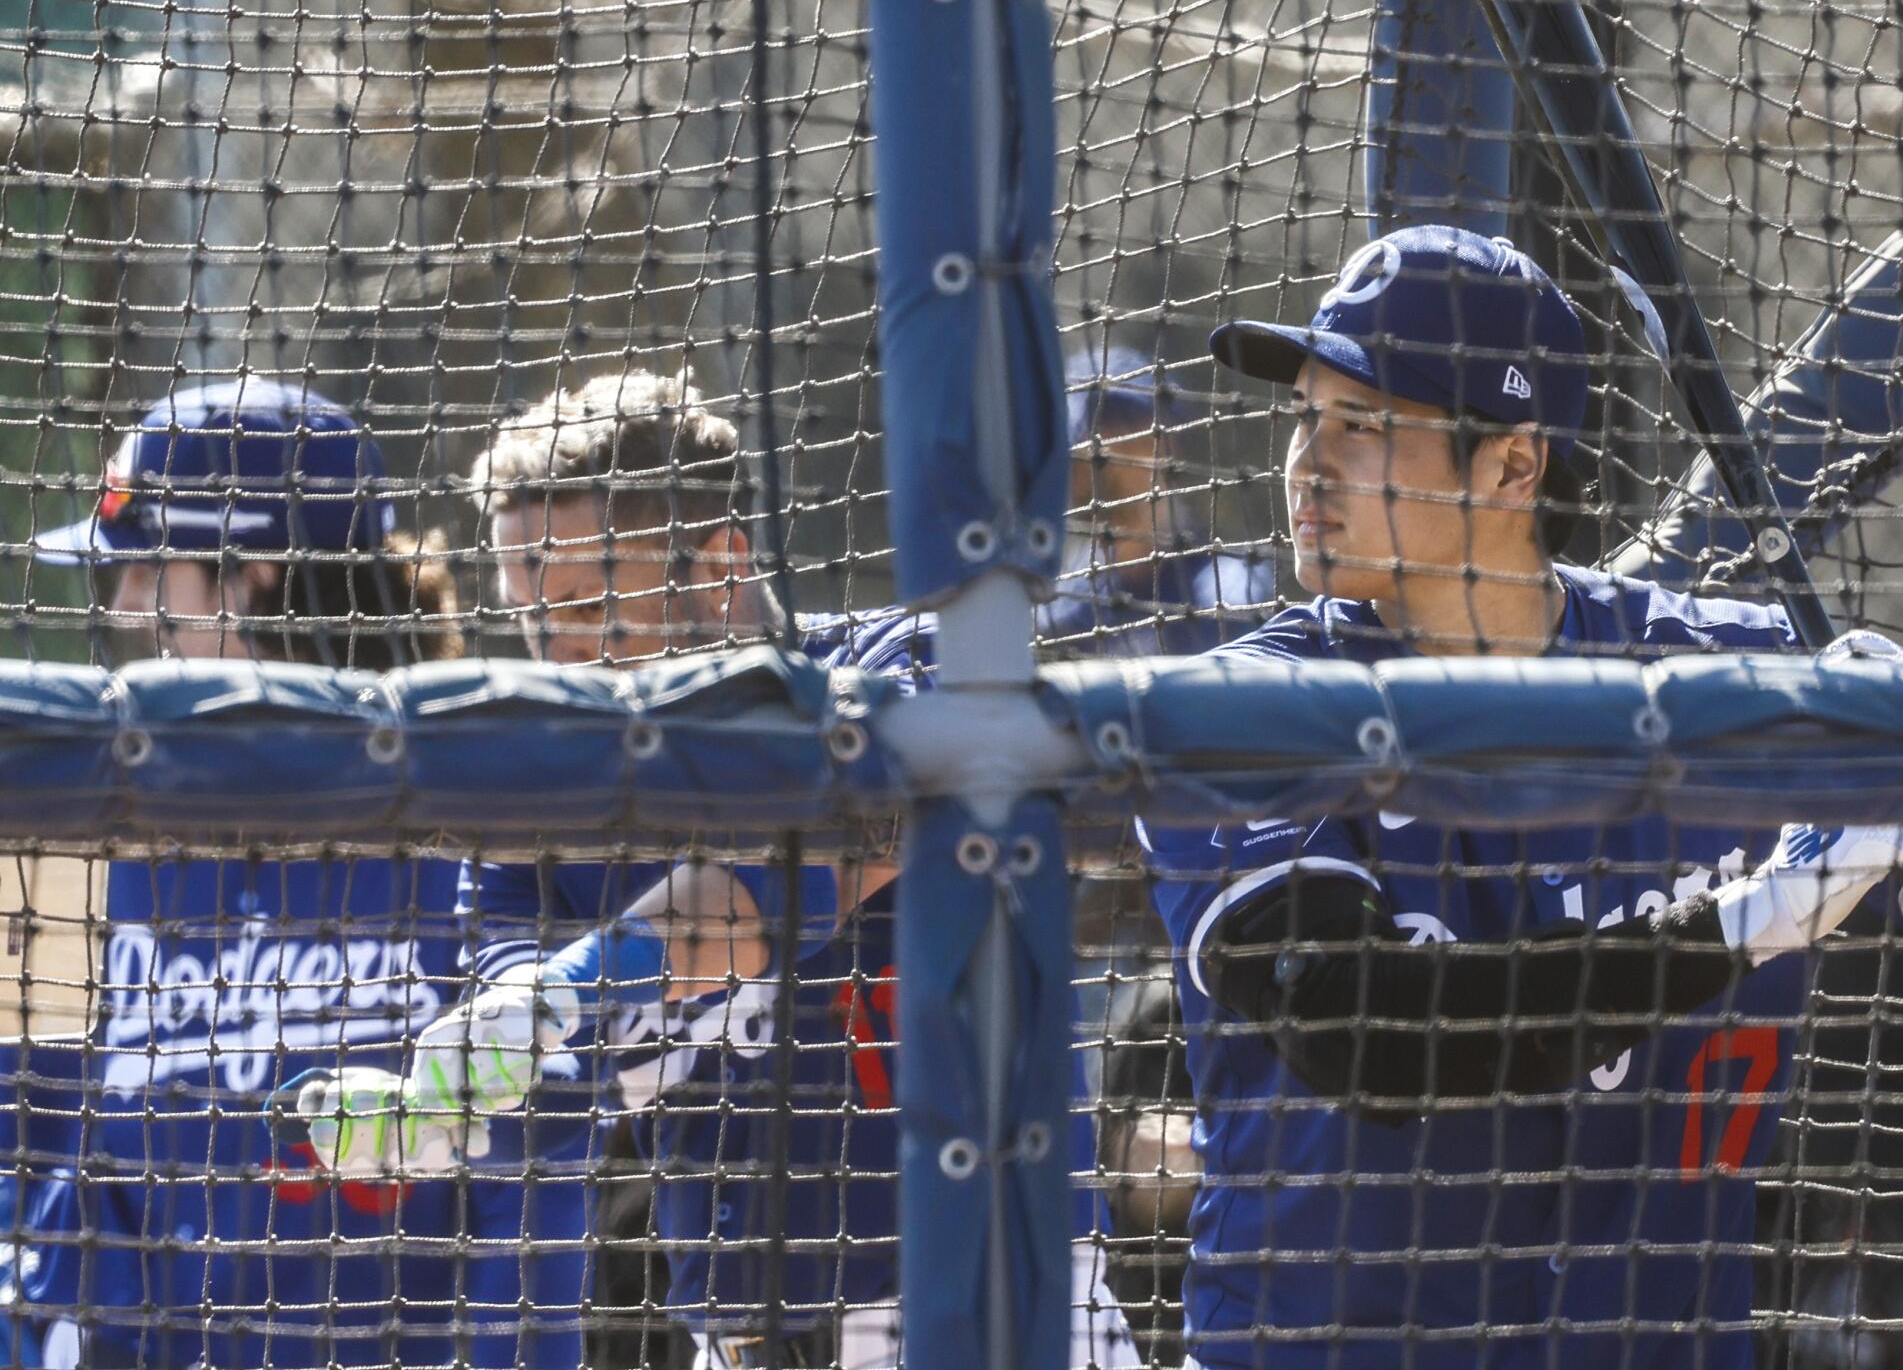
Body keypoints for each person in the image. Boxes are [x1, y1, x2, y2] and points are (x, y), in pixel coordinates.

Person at [1135, 225, 1903, 1370]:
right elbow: (1366, 1031)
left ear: (1510, 466)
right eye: (1305, 416)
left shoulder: (1731, 683)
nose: (1307, 462)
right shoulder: (1239, 708)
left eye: (1364, 425)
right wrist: (1774, 907)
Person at [296, 369, 1136, 1367]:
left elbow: (783, 876)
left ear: (718, 565)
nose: (554, 650)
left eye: (587, 601)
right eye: (531, 616)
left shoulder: (905, 667)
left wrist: (566, 986)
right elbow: (559, 1097)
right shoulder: (541, 818)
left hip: (983, 1314)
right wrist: (455, 1104)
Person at [1, 376, 589, 1368]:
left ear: (254, 573)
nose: (126, 605)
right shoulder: (158, 829)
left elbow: (532, 1171)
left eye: (153, 573)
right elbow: (127, 1159)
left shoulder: (457, 816)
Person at [1042, 344, 1274, 660]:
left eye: (1121, 434)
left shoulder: (1224, 588)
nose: (1096, 457)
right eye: (1083, 441)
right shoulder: (1059, 600)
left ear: (1165, 447)